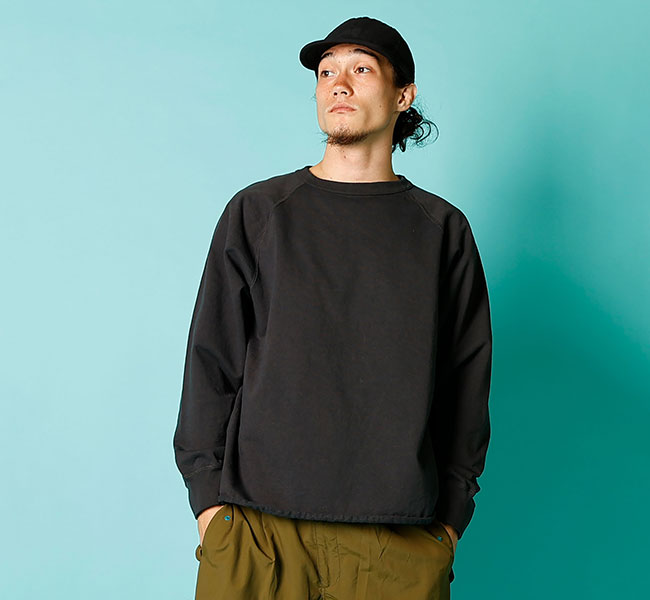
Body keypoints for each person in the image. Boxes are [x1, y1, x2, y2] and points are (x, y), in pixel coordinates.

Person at [173, 16, 493, 600]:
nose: (338, 84)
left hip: (397, 539)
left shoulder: (441, 230)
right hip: (258, 533)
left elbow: (466, 383)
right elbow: (210, 362)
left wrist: (449, 523)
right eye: (326, 72)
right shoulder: (259, 213)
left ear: (403, 96)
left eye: (360, 69)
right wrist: (209, 506)